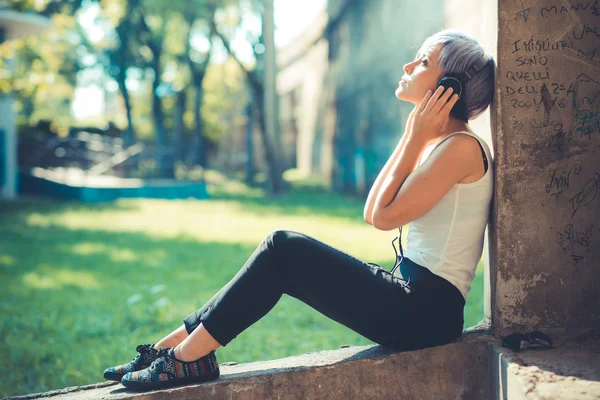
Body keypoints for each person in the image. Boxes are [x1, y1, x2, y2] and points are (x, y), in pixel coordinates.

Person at [103, 29, 495, 391]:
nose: (408, 67)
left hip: (425, 312)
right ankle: (174, 346)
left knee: (283, 249)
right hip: (412, 299)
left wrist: (415, 136)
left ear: (450, 88)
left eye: (424, 62)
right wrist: (415, 134)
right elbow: (373, 209)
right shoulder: (440, 144)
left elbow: (381, 218)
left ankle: (189, 358)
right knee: (281, 250)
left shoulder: (460, 148)